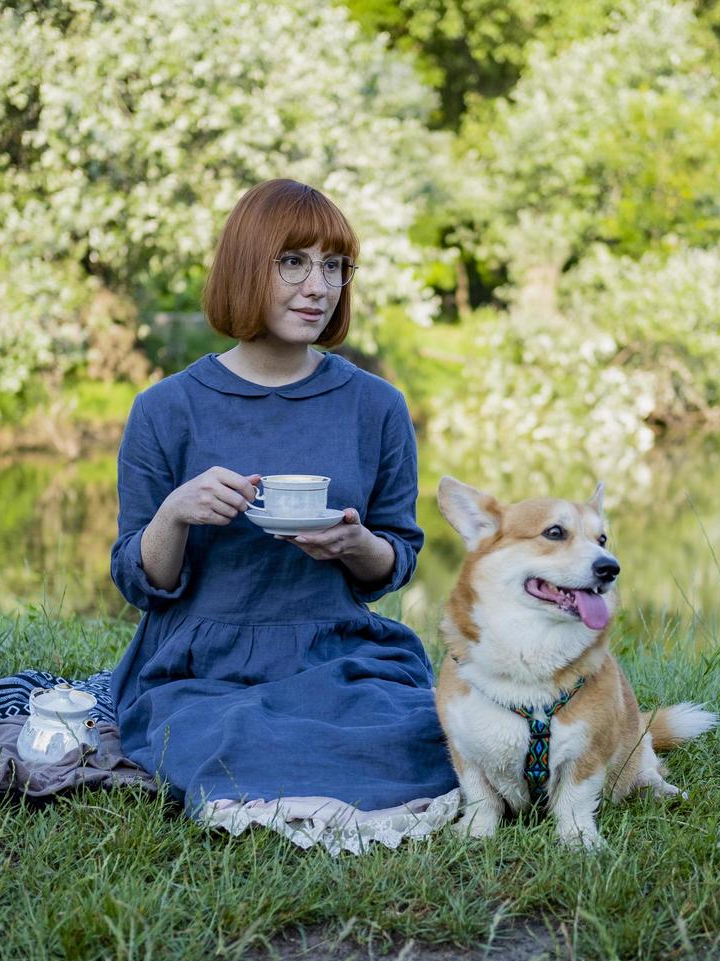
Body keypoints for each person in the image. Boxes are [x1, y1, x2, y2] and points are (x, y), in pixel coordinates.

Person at [108, 178, 459, 847]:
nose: (317, 287)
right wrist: (175, 516)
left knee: (439, 736)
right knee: (236, 739)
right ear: (246, 268)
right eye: (292, 262)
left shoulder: (376, 405)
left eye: (334, 266)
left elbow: (397, 559)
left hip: (340, 652)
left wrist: (355, 545)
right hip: (200, 661)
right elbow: (136, 579)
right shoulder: (166, 408)